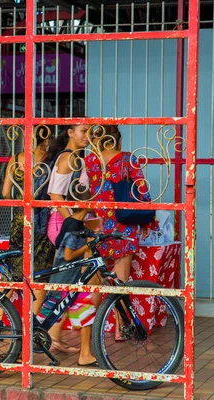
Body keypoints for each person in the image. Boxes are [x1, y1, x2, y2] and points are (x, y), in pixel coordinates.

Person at [84, 125, 156, 339]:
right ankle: (119, 329)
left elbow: (85, 191)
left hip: (95, 221)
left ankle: (88, 331)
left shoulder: (90, 161)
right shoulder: (127, 159)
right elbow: (141, 189)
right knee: (120, 279)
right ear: (118, 140)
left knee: (95, 278)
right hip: (121, 223)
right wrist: (148, 221)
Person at [42, 123, 91, 353]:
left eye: (91, 132)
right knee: (64, 283)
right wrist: (72, 224)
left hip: (69, 223)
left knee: (68, 283)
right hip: (64, 224)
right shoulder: (68, 158)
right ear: (70, 132)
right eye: (83, 131)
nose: (87, 136)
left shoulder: (76, 158)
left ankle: (53, 336)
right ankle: (48, 335)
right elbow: (55, 195)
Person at [0, 128, 55, 317]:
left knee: (13, 268)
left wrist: (20, 206)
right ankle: (30, 321)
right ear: (45, 138)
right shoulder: (49, 159)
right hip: (42, 219)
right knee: (41, 271)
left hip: (20, 219)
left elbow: (5, 193)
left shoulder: (16, 160)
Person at [38, 190, 98, 366]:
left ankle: (86, 354)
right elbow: (68, 255)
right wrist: (86, 246)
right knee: (46, 317)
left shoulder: (75, 222)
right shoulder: (74, 226)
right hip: (64, 280)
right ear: (87, 204)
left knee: (85, 311)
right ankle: (20, 347)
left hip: (72, 280)